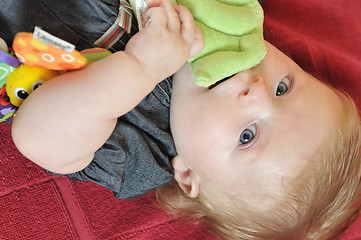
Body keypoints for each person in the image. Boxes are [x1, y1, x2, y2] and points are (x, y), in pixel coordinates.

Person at [4, 0, 361, 239]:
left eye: (248, 136)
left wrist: (142, 69)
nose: (258, 92)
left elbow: (38, 136)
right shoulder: (227, 22)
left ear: (189, 174)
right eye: (283, 87)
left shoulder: (142, 156)